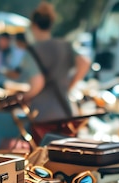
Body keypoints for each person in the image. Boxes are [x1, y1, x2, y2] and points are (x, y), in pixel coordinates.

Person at [16, 2, 91, 142]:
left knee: (44, 160)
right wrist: (70, 85)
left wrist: (25, 96)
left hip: (44, 115)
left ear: (33, 26)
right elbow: (84, 62)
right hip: (66, 111)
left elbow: (38, 82)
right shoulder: (65, 45)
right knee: (66, 158)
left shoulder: (33, 51)